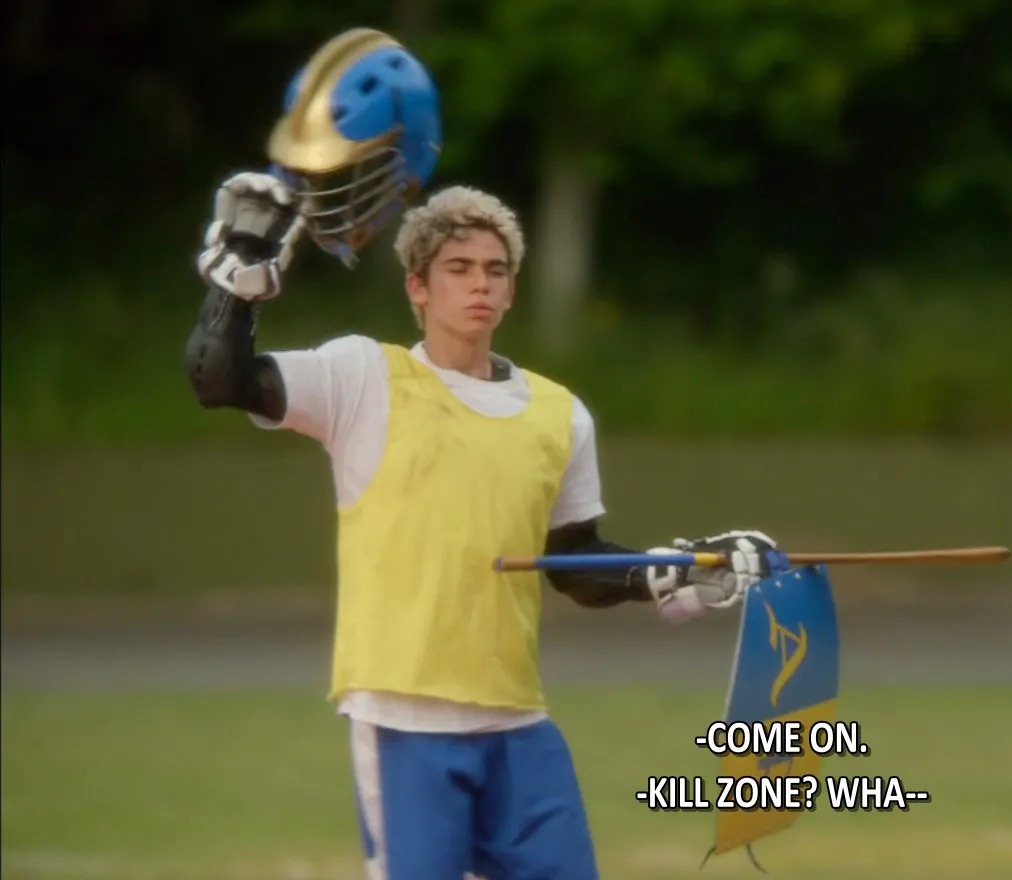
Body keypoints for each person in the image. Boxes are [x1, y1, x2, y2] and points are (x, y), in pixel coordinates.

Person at [183, 34, 777, 880]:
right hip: (403, 722)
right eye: (458, 268)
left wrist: (682, 570)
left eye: (496, 270)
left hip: (516, 724)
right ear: (417, 287)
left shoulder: (558, 414)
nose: (481, 283)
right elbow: (220, 380)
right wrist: (235, 283)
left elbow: (575, 566)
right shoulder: (362, 376)